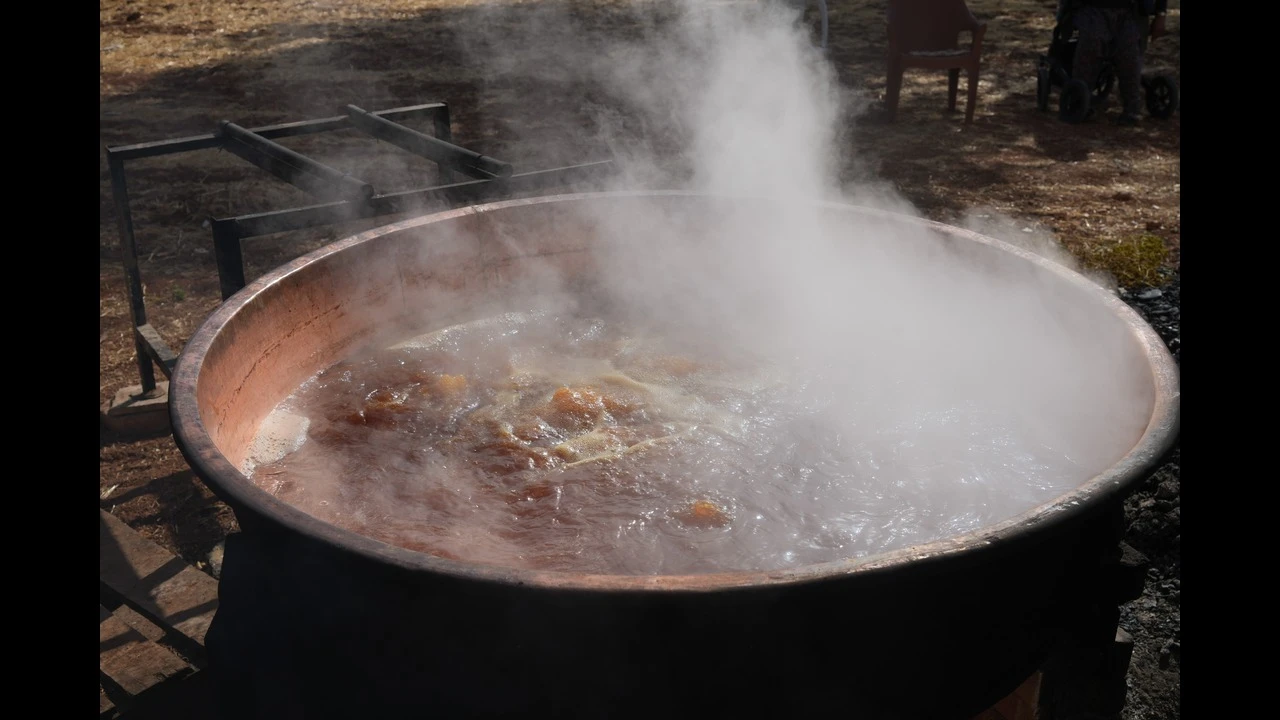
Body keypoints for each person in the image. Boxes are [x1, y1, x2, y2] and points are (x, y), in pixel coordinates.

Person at [1058, 0, 1169, 125]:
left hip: (1130, 12)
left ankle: (1131, 109)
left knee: (1129, 57)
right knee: (1091, 47)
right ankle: (1079, 101)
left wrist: (1161, 14)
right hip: (1092, 9)